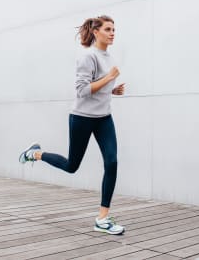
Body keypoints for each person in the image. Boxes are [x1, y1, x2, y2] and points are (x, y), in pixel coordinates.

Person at [19, 15, 126, 235]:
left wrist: (113, 90)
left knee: (112, 162)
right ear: (96, 32)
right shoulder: (87, 57)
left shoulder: (109, 57)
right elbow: (82, 91)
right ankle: (36, 154)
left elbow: (98, 88)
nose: (113, 32)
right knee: (72, 166)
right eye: (108, 29)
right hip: (82, 118)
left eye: (114, 29)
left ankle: (102, 219)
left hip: (104, 118)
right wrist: (109, 79)